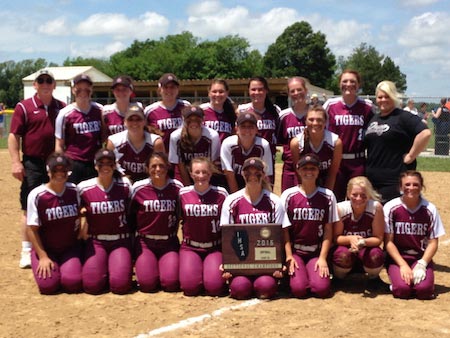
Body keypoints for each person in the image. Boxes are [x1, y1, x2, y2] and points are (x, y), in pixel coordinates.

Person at [8, 69, 66, 268]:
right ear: (35, 85)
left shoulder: (62, 107)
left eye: (48, 80)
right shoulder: (24, 107)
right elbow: (14, 136)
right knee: (28, 205)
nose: (45, 84)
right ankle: (26, 249)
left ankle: (53, 243)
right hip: (32, 162)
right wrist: (16, 162)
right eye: (40, 80)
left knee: (57, 203)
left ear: (54, 85)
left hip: (55, 162)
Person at [220, 157, 286, 299]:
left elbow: (279, 236)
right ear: (242, 175)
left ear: (263, 175)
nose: (252, 176)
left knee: (266, 287)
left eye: (257, 173)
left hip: (265, 261)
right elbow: (227, 236)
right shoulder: (231, 201)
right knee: (239, 289)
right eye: (248, 173)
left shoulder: (274, 201)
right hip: (241, 259)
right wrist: (227, 264)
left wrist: (279, 263)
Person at [280, 154, 338, 298]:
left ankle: (309, 273)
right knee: (299, 290)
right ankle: (295, 277)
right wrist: (288, 256)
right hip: (295, 251)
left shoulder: (327, 195)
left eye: (313, 168)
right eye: (305, 168)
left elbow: (328, 230)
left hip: (315, 252)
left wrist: (323, 258)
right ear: (298, 171)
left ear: (318, 171)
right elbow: (284, 230)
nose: (309, 172)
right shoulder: (288, 195)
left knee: (321, 289)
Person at [365, 81, 431, 204]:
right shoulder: (374, 118)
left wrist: (411, 156)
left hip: (393, 181)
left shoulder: (403, 117)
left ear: (393, 97)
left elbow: (425, 133)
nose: (383, 100)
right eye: (380, 97)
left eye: (387, 96)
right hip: (372, 181)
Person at [77, 149, 133, 294]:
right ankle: (105, 267)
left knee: (120, 286)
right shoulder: (83, 188)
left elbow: (133, 212)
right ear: (95, 166)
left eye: (109, 163)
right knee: (92, 286)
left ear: (115, 166)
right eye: (101, 164)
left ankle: (115, 267)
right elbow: (76, 210)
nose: (105, 167)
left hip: (120, 240)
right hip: (96, 242)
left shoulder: (125, 185)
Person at [26, 152, 82, 294]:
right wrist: (43, 256)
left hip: (69, 247)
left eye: (63, 170)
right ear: (48, 171)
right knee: (48, 286)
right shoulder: (37, 195)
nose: (59, 173)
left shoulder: (74, 190)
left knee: (72, 283)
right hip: (47, 248)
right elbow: (32, 229)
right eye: (55, 170)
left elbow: (84, 213)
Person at [384, 171, 445, 299]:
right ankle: (396, 283)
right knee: (402, 290)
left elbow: (433, 242)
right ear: (400, 187)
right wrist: (403, 265)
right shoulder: (391, 207)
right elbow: (388, 242)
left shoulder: (430, 209)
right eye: (407, 185)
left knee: (424, 291)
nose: (411, 188)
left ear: (421, 187)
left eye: (415, 185)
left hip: (420, 257)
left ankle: (422, 280)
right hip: (398, 257)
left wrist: (422, 263)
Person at [130, 152, 183, 292]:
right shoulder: (138, 188)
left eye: (161, 166)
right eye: (153, 166)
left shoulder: (177, 187)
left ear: (167, 168)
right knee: (147, 285)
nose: (158, 169)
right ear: (147, 168)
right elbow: (130, 216)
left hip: (169, 242)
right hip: (145, 243)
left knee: (171, 283)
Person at [179, 157, 228, 296]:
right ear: (191, 174)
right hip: (191, 247)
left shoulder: (221, 194)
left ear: (210, 174)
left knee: (214, 287)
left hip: (214, 247)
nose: (201, 176)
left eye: (205, 172)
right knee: (190, 288)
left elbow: (229, 226)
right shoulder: (183, 194)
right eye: (197, 172)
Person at [323, 70, 375, 201]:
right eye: (345, 81)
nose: (348, 84)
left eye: (353, 81)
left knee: (357, 198)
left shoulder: (367, 106)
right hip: (336, 161)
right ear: (339, 84)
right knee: (336, 199)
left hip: (358, 160)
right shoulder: (330, 105)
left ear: (358, 85)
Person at [332, 176, 385, 284]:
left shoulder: (376, 208)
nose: (359, 199)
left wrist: (363, 242)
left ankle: (373, 278)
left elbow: (378, 238)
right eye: (354, 195)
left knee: (376, 254)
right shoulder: (340, 208)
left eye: (363, 195)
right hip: (347, 249)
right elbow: (336, 238)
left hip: (366, 248)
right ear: (348, 194)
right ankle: (339, 278)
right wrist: (350, 239)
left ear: (369, 195)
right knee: (342, 255)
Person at [55, 74, 104, 184]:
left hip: (94, 162)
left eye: (87, 88)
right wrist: (61, 166)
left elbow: (104, 137)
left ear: (91, 89)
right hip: (73, 162)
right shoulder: (65, 114)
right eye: (79, 88)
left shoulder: (100, 110)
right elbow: (59, 144)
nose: (83, 91)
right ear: (73, 90)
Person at [106, 103, 165, 183]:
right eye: (130, 119)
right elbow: (110, 169)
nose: (134, 123)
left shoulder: (155, 142)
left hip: (149, 184)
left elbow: (161, 170)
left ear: (144, 122)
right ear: (125, 122)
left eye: (138, 119)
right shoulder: (113, 141)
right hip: (123, 184)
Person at [237, 76, 281, 179]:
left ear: (266, 91)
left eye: (260, 89)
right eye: (253, 89)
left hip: (268, 159)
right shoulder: (242, 110)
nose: (257, 92)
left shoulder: (275, 110)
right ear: (248, 91)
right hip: (247, 159)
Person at [290, 105, 342, 191]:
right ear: (305, 121)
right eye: (311, 119)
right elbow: (298, 172)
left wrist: (327, 195)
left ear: (325, 122)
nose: (315, 123)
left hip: (328, 182)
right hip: (306, 181)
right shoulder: (296, 143)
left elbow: (332, 173)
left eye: (319, 120)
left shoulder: (335, 142)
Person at [220, 112, 273, 193]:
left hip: (255, 185)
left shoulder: (263, 145)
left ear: (256, 129)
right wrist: (238, 198)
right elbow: (229, 174)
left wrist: (265, 196)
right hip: (233, 186)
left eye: (251, 127)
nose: (247, 130)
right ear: (236, 129)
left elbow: (266, 175)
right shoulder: (228, 144)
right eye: (243, 127)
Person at [168, 105, 220, 185]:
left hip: (205, 176)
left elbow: (211, 164)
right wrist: (188, 187)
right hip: (183, 177)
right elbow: (180, 164)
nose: (193, 122)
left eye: (197, 119)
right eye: (189, 119)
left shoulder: (212, 136)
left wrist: (204, 184)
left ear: (203, 119)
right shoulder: (176, 137)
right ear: (183, 119)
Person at [144, 73, 191, 152]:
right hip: (160, 155)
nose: (169, 90)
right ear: (160, 90)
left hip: (182, 154)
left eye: (172, 87)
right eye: (166, 87)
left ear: (177, 89)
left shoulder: (186, 106)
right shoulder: (150, 111)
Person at [278, 77, 308, 191]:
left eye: (299, 89)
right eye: (292, 91)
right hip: (290, 167)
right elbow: (280, 141)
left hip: (311, 165)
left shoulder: (315, 113)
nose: (296, 93)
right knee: (288, 201)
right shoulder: (284, 116)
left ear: (305, 90)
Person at [201, 79, 237, 143]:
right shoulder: (201, 111)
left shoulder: (231, 113)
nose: (217, 94)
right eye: (214, 91)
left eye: (221, 92)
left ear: (227, 93)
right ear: (209, 93)